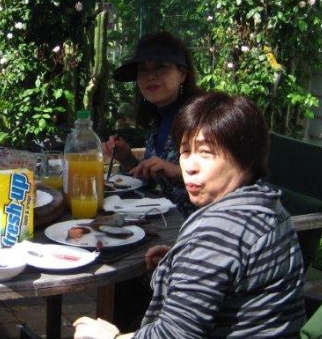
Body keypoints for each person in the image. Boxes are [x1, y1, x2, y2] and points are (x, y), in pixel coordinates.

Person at [75, 92, 306, 339]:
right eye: (185, 151)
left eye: (205, 152)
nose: (190, 166)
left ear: (245, 157)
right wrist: (183, 262)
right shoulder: (268, 206)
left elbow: (174, 335)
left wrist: (113, 338)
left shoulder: (217, 232)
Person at [104, 31, 201, 218]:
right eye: (143, 70)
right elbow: (157, 179)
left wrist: (176, 171)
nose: (151, 76)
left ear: (182, 74)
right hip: (162, 221)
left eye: (161, 67)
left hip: (201, 226)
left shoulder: (202, 119)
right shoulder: (157, 120)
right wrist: (127, 159)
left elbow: (227, 182)